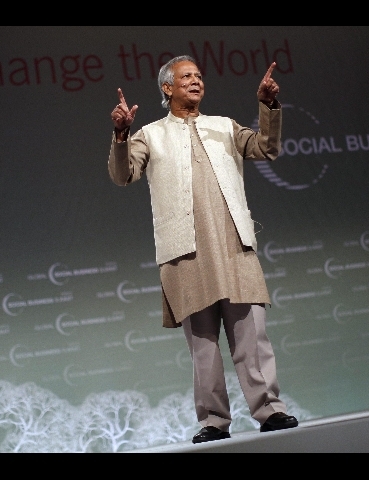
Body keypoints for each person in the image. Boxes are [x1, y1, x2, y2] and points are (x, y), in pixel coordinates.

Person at [108, 55, 298, 444]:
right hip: (184, 253)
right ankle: (214, 420)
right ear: (167, 88)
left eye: (199, 75)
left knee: (252, 337)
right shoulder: (150, 135)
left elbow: (266, 148)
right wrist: (121, 134)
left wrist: (268, 106)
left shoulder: (224, 126)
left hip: (234, 247)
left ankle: (270, 410)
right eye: (186, 77)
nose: (196, 81)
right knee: (203, 346)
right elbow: (123, 174)